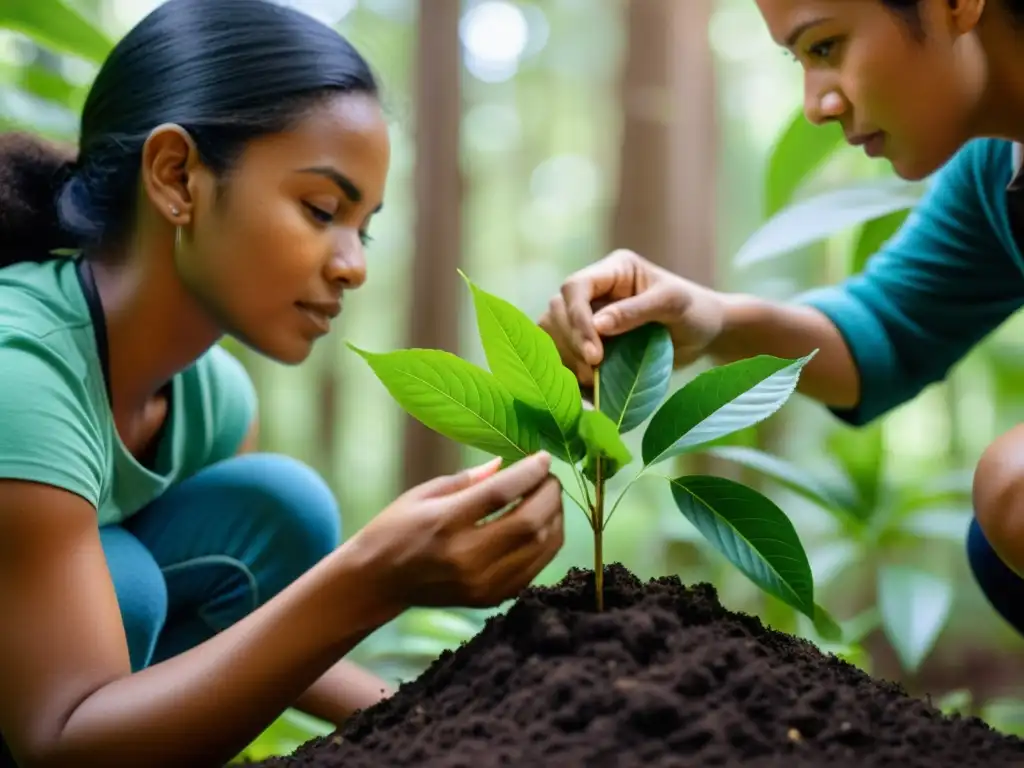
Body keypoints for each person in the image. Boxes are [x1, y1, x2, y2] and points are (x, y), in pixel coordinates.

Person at [0, 1, 565, 766]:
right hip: (55, 727)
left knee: (277, 511)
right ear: (177, 177)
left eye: (361, 229)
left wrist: (445, 724)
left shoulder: (213, 401)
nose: (354, 265)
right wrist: (369, 580)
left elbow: (256, 635)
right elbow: (57, 738)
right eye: (321, 209)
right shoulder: (22, 369)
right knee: (126, 583)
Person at [541, 0, 1024, 642]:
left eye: (826, 47)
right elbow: (885, 331)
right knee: (996, 547)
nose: (815, 105)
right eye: (799, 62)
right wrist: (710, 317)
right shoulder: (998, 170)